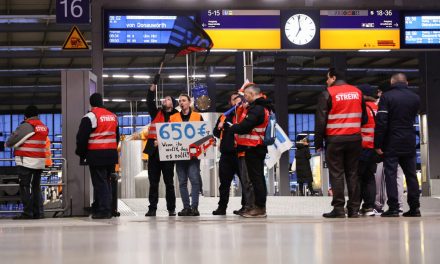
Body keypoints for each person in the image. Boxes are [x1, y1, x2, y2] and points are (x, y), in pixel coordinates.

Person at [315, 68, 367, 218]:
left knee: (337, 174)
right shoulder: (358, 92)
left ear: (333, 77)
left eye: (327, 78)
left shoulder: (328, 93)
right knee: (353, 174)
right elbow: (363, 118)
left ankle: (338, 209)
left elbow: (320, 121)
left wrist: (318, 142)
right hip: (355, 139)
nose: (326, 81)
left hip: (335, 140)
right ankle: (354, 209)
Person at [374, 73, 421, 217]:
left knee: (391, 174)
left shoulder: (387, 97)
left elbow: (382, 122)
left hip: (392, 141)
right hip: (409, 140)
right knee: (411, 175)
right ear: (406, 82)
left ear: (392, 82)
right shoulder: (415, 97)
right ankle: (415, 208)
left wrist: (378, 143)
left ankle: (393, 208)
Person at [229, 84, 272, 218]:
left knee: (256, 179)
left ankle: (259, 208)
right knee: (256, 178)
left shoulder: (257, 109)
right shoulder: (263, 108)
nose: (245, 99)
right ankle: (256, 206)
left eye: (246, 95)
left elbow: (245, 126)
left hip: (254, 147)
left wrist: (233, 128)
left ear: (252, 94)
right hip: (256, 147)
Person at [76, 93, 119, 219]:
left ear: (91, 103)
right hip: (111, 154)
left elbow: (81, 138)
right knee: (107, 182)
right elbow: (116, 137)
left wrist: (82, 153)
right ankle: (106, 207)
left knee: (100, 182)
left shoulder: (90, 116)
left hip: (97, 154)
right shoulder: (113, 116)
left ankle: (104, 210)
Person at [144, 74, 179, 217]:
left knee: (169, 183)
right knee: (153, 182)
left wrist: (164, 142)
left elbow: (180, 136)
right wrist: (154, 84)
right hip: (154, 152)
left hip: (169, 153)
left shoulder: (177, 116)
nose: (165, 100)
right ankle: (152, 208)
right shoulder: (156, 112)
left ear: (173, 103)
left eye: (169, 99)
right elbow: (149, 101)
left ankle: (171, 208)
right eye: (164, 99)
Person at [5, 105, 48, 220]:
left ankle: (27, 213)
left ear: (26, 116)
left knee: (24, 186)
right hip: (39, 161)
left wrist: (7, 144)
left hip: (26, 161)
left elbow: (11, 140)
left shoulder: (27, 125)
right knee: (36, 187)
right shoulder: (43, 127)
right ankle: (39, 212)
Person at [169, 94, 204, 216]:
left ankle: (194, 207)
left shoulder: (198, 116)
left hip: (193, 156)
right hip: (179, 156)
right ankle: (186, 208)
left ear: (189, 102)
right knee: (182, 182)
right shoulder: (173, 118)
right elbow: (168, 135)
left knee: (194, 181)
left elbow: (203, 134)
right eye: (180, 101)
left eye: (184, 100)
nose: (181, 103)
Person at [212, 92, 242, 215]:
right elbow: (216, 133)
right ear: (231, 102)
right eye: (234, 99)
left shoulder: (244, 115)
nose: (236, 101)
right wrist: (219, 128)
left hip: (240, 154)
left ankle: (245, 206)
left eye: (238, 98)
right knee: (224, 184)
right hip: (226, 155)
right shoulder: (224, 117)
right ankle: (222, 207)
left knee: (245, 183)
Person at [357, 84, 379, 216]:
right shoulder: (379, 108)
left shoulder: (363, 108)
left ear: (364, 95)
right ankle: (369, 207)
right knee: (369, 178)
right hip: (375, 149)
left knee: (358, 178)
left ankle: (354, 206)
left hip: (363, 147)